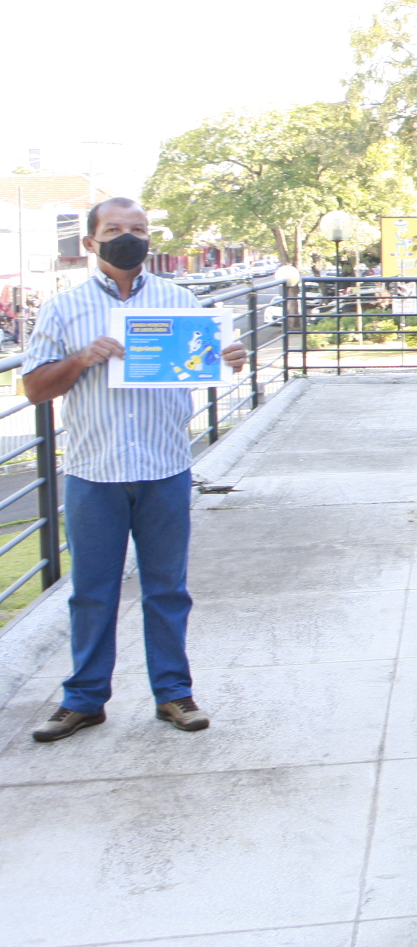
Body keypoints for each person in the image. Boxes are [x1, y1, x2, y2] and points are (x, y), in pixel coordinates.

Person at [20, 198, 246, 744]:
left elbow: (196, 365)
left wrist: (226, 357)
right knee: (91, 592)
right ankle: (84, 699)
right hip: (93, 472)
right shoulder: (63, 310)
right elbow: (35, 388)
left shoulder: (180, 300)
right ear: (92, 242)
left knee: (167, 588)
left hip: (164, 466)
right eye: (115, 229)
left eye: (138, 229)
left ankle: (173, 694)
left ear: (150, 238)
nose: (128, 237)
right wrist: (82, 359)